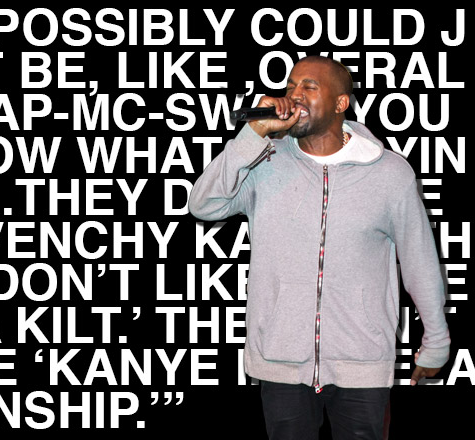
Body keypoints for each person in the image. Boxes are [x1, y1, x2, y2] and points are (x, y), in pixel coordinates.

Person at [188, 56, 450, 439]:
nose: (295, 95)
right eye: (291, 86)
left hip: (362, 363)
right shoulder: (264, 161)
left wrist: (436, 342)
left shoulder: (389, 173)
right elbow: (203, 205)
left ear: (341, 103)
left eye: (309, 87)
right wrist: (252, 135)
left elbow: (419, 261)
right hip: (280, 360)